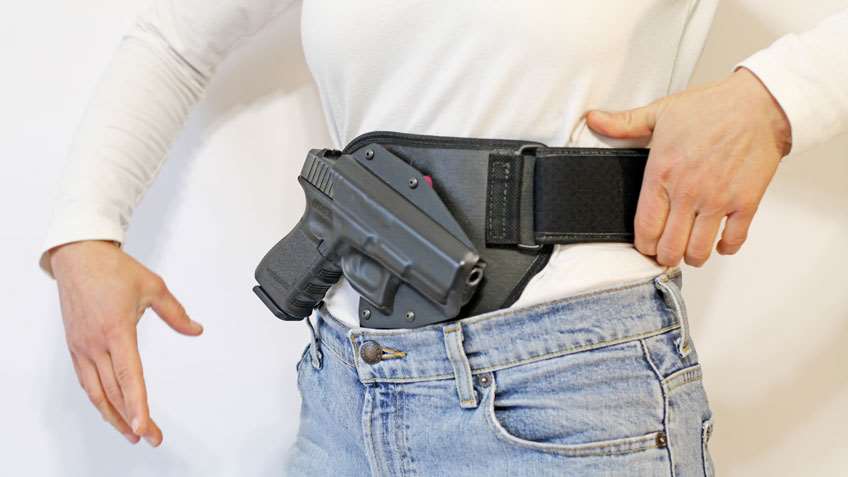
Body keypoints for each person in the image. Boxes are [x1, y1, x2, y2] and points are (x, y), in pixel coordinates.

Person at [42, 1, 848, 475]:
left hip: (568, 388)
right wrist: (85, 230)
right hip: (345, 388)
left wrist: (774, 98)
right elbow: (174, 37)